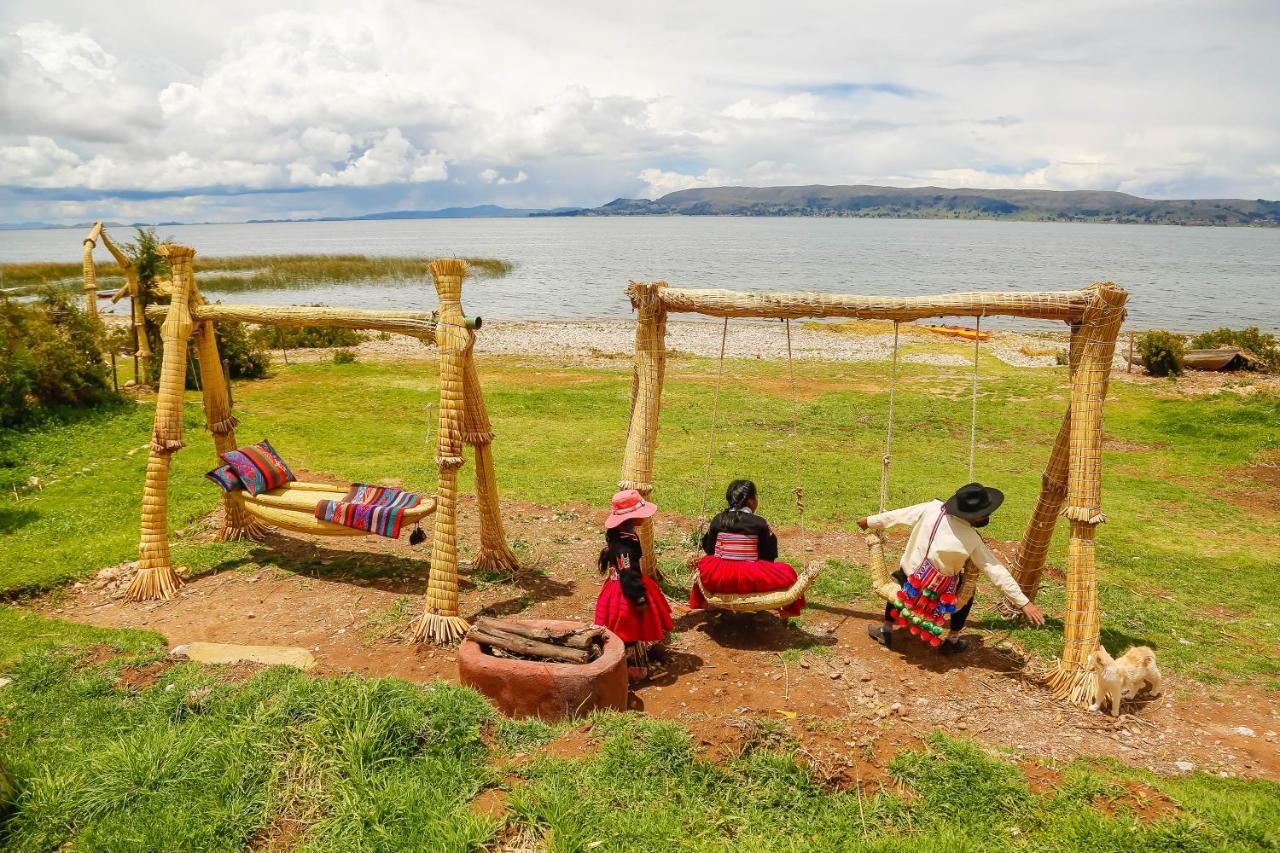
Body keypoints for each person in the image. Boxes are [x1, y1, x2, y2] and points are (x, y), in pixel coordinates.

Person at [859, 482, 1045, 654]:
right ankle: (952, 639)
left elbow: (898, 515)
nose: (988, 516)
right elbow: (996, 571)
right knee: (967, 592)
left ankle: (887, 629)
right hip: (939, 595)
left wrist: (869, 521)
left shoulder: (931, 508)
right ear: (972, 516)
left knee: (900, 581)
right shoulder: (972, 539)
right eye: (986, 513)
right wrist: (1024, 603)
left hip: (909, 580)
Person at [690, 479, 806, 617]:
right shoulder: (759, 522)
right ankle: (788, 609)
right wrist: (758, 565)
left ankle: (704, 602)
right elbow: (769, 554)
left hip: (719, 576)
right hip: (749, 577)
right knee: (788, 572)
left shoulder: (718, 519)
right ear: (751, 501)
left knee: (701, 567)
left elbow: (709, 548)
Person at [594, 489, 674, 681]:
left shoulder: (620, 535)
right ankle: (628, 667)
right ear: (631, 518)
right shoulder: (625, 545)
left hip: (617, 586)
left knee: (624, 626)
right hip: (625, 590)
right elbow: (629, 574)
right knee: (628, 626)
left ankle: (633, 660)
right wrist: (639, 597)